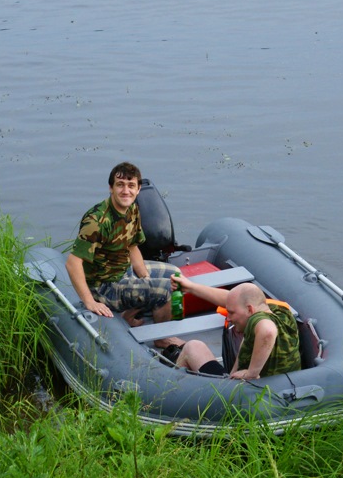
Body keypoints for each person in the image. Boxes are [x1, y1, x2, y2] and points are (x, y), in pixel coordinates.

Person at [65, 162, 177, 326]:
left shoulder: (132, 209)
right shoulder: (97, 221)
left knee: (176, 276)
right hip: (103, 287)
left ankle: (130, 314)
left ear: (138, 189)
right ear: (111, 188)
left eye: (131, 185)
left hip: (124, 271)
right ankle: (163, 338)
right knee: (166, 289)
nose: (126, 191)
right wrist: (89, 301)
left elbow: (132, 246)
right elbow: (72, 263)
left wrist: (145, 279)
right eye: (120, 185)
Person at [159, 278, 300, 380]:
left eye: (231, 313)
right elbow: (234, 299)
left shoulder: (257, 320)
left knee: (192, 347)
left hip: (243, 393)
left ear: (250, 309)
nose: (228, 318)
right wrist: (190, 287)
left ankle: (168, 392)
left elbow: (268, 331)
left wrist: (251, 372)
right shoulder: (281, 311)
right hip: (282, 387)